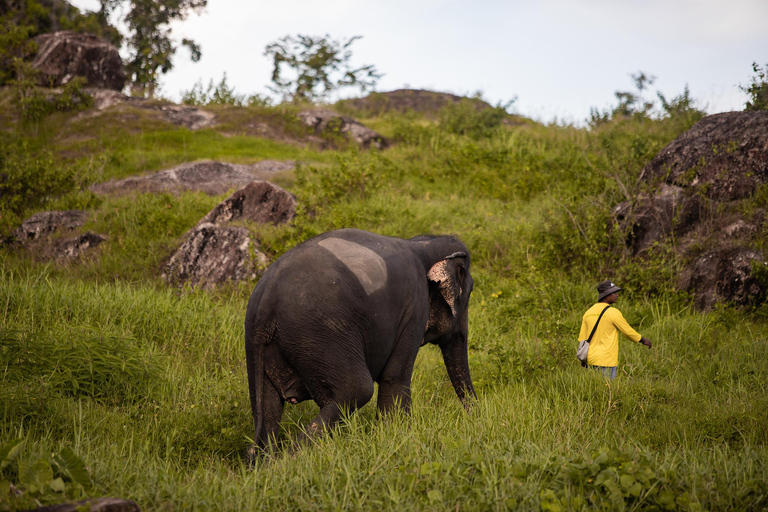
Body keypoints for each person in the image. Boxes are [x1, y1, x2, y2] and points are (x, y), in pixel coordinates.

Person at [579, 280, 652, 379]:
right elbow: (627, 331)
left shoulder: (588, 312)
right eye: (613, 292)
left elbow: (583, 338)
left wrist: (583, 359)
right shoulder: (613, 312)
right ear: (606, 295)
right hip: (606, 360)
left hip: (591, 359)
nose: (616, 295)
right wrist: (643, 340)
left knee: (595, 391)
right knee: (607, 390)